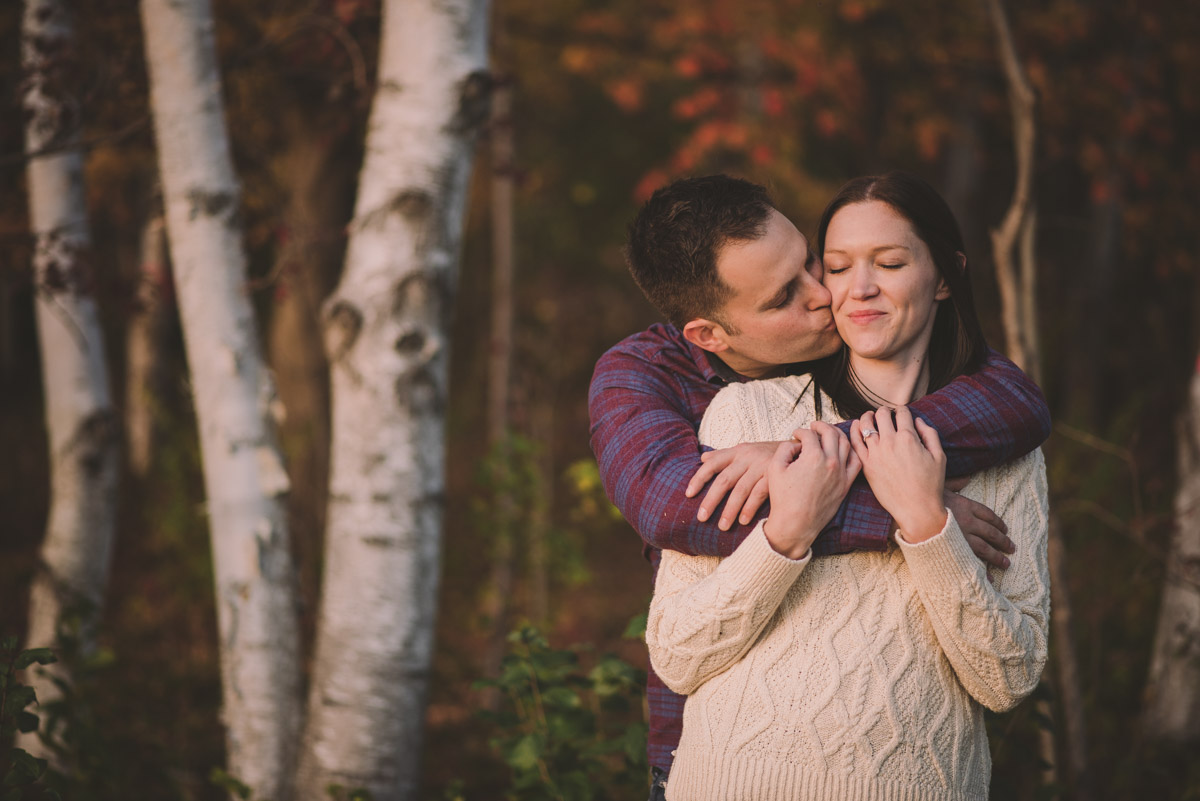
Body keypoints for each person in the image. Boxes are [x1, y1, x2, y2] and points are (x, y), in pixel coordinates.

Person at [587, 175, 1051, 797]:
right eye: (784, 296)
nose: (826, 295)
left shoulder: (887, 353)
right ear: (710, 334)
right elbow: (678, 502)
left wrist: (829, 458)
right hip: (708, 758)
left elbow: (1017, 405)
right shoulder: (649, 380)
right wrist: (896, 514)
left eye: (812, 262)